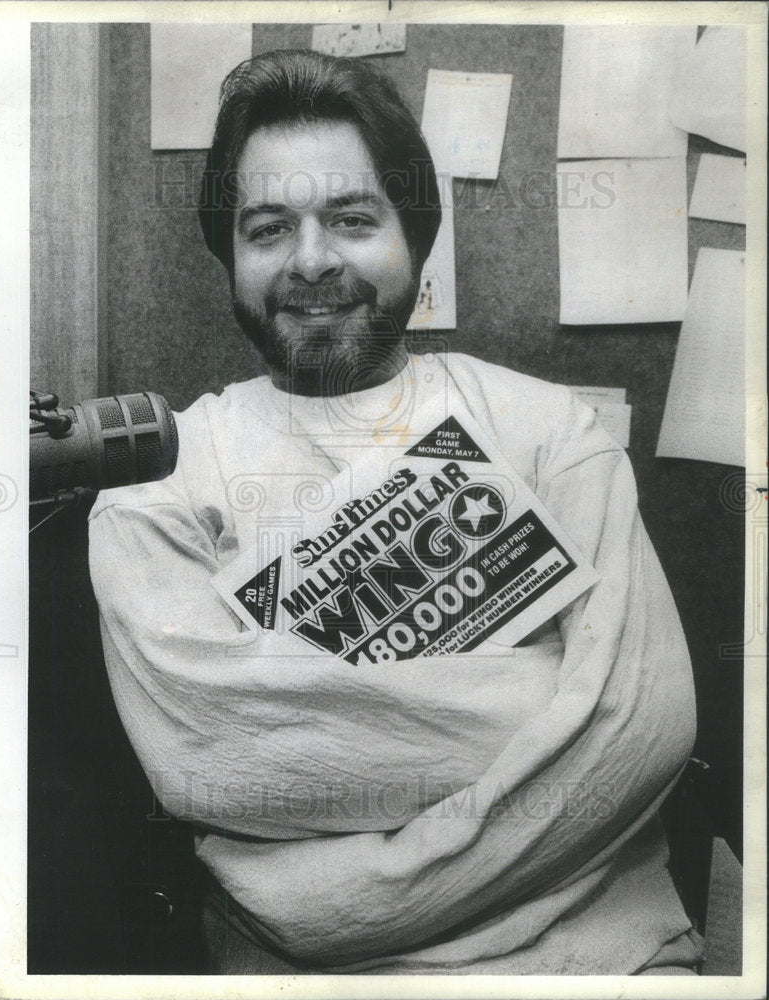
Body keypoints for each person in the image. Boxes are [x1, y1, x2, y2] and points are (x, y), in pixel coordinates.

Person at [88, 49, 704, 975]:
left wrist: (332, 898)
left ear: (414, 236)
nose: (312, 261)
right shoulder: (158, 483)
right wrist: (537, 702)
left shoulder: (546, 431)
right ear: (228, 255)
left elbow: (644, 728)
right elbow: (209, 765)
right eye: (266, 228)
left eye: (351, 218)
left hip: (604, 962)